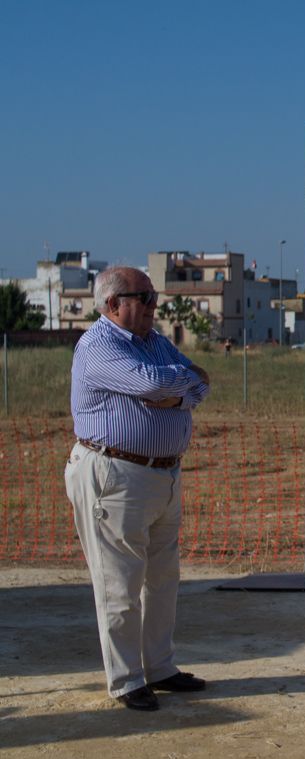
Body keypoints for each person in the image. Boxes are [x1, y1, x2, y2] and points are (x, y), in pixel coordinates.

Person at [65, 267, 212, 711]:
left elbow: (200, 379)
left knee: (163, 578)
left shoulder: (154, 342)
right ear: (112, 304)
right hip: (116, 475)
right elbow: (153, 383)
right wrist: (176, 385)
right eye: (143, 297)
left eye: (153, 296)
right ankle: (127, 678)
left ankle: (160, 667)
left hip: (163, 474)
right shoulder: (98, 346)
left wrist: (178, 391)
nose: (153, 305)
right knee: (119, 583)